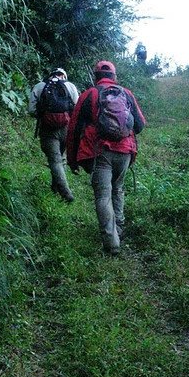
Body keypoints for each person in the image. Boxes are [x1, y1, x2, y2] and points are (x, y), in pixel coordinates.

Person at [66, 60, 146, 255]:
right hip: (126, 151)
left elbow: (74, 129)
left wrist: (72, 159)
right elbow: (140, 125)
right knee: (117, 189)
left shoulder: (89, 95)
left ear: (96, 77)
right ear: (114, 77)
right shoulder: (126, 93)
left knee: (103, 195)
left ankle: (111, 244)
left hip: (101, 152)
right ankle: (118, 228)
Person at [29, 68, 79, 203]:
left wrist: (44, 115)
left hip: (48, 129)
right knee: (61, 158)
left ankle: (66, 193)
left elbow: (32, 110)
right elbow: (77, 108)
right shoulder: (70, 86)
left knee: (55, 160)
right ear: (64, 76)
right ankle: (56, 188)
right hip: (66, 128)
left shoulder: (40, 86)